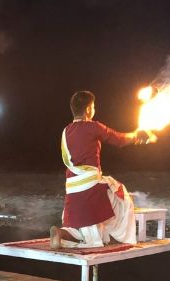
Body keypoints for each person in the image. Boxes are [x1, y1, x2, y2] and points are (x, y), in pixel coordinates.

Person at [50, 90, 155, 248]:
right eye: (93, 106)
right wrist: (136, 136)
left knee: (84, 227)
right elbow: (118, 139)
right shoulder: (93, 127)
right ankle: (118, 237)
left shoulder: (66, 131)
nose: (94, 109)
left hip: (71, 189)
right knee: (122, 196)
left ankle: (61, 233)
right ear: (88, 109)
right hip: (90, 186)